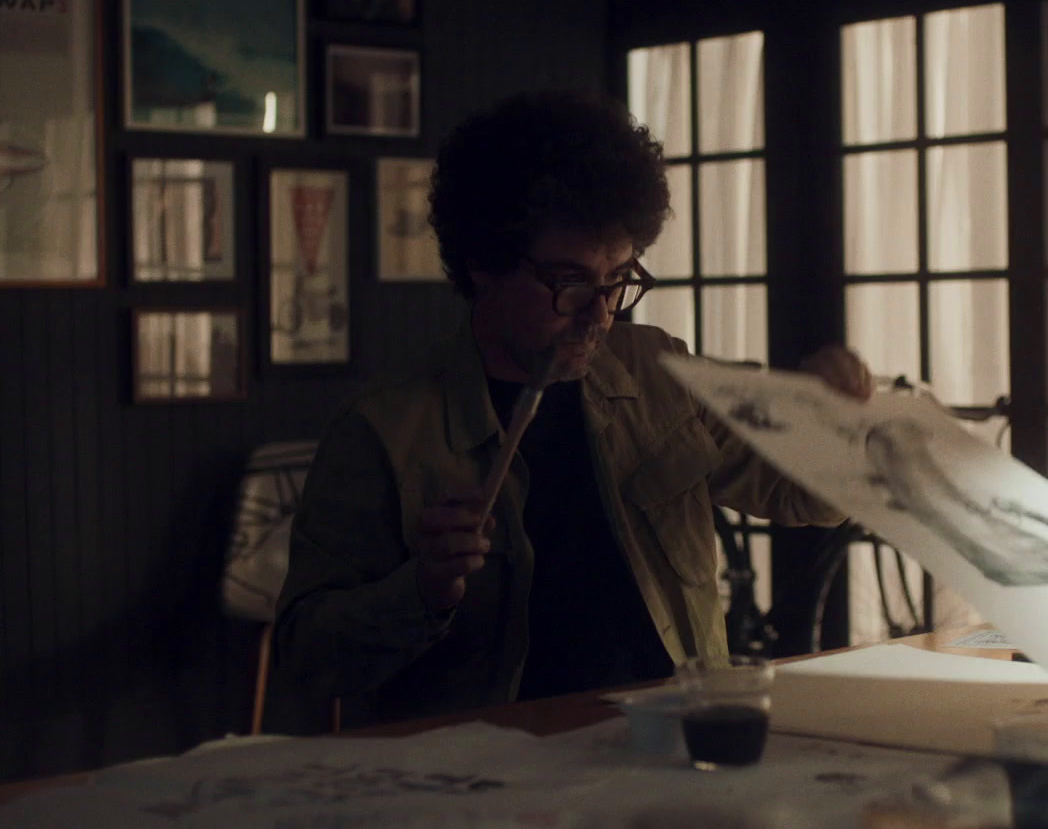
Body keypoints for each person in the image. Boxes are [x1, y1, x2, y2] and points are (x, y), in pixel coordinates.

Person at [274, 90, 874, 724]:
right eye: (570, 281)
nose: (600, 312)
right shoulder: (385, 434)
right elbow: (308, 658)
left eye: (620, 278)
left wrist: (837, 428)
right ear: (482, 264)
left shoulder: (657, 373)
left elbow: (804, 495)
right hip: (490, 779)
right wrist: (422, 590)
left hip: (676, 744)